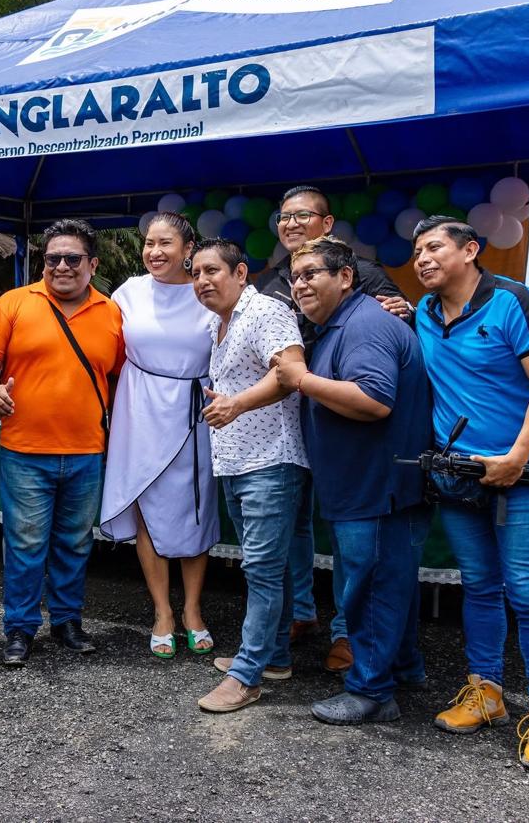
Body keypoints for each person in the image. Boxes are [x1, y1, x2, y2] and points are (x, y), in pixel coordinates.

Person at [411, 216, 529, 775]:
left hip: (523, 472)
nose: (422, 258)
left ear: (471, 250)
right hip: (458, 474)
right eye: (417, 251)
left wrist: (518, 457)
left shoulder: (513, 302)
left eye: (434, 247)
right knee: (478, 586)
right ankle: (487, 692)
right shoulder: (424, 312)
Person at [271, 236, 432, 724]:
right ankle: (402, 668)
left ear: (345, 277)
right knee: (391, 584)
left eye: (311, 274)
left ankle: (371, 692)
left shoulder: (364, 326)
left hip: (377, 488)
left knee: (371, 588)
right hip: (368, 486)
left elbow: (374, 399)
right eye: (295, 278)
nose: (300, 285)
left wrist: (299, 379)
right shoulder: (344, 324)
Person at [255, 185, 411, 675]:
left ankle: (348, 632)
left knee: (350, 533)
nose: (291, 223)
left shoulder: (364, 276)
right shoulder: (270, 282)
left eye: (303, 215)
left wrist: (405, 310)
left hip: (348, 419)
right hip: (292, 420)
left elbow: (391, 347)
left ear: (327, 224)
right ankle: (301, 612)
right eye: (284, 217)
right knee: (295, 524)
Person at [0, 218, 124, 668]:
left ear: (93, 265)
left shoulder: (111, 313)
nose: (61, 266)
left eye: (72, 258)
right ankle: (19, 628)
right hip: (24, 451)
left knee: (75, 543)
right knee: (25, 544)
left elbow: (117, 378)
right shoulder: (14, 303)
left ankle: (67, 621)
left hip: (86, 451)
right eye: (53, 258)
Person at [190, 239, 308, 714]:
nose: (202, 281)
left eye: (212, 271)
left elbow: (292, 370)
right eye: (196, 273)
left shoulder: (266, 312)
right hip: (237, 460)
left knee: (261, 571)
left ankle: (247, 675)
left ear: (241, 273)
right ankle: (275, 657)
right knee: (271, 567)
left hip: (271, 460)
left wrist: (236, 404)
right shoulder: (217, 322)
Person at [100, 212, 219, 658]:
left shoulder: (208, 292)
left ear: (188, 249)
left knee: (194, 507)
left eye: (165, 243)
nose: (154, 251)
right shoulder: (128, 291)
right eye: (149, 243)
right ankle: (162, 611)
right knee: (147, 507)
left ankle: (192, 609)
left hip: (193, 410)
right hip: (140, 409)